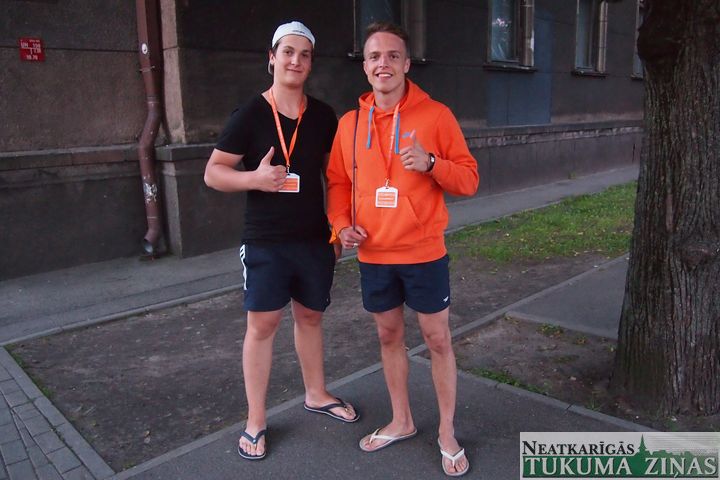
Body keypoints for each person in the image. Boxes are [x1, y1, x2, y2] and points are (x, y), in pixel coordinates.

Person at [326, 22, 479, 477]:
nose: (383, 64)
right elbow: (338, 183)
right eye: (375, 56)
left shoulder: (436, 116)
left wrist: (431, 164)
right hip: (374, 255)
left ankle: (447, 431)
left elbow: (469, 179)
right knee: (388, 337)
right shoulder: (350, 124)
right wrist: (341, 225)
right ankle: (402, 420)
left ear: (407, 64)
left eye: (393, 56)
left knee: (438, 340)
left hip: (423, 251)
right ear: (365, 67)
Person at [204, 21, 358, 461]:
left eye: (304, 54)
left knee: (310, 317)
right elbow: (213, 172)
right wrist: (254, 178)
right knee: (263, 325)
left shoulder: (323, 116)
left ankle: (316, 393)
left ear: (311, 63)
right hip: (266, 241)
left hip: (313, 239)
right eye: (288, 52)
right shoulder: (250, 114)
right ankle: (255, 420)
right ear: (272, 58)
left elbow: (335, 177)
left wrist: (338, 226)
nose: (296, 60)